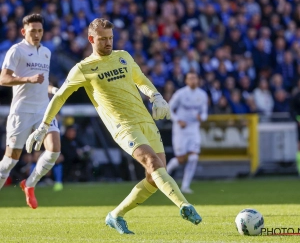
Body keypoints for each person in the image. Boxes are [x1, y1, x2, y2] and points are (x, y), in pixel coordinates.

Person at [25, 18, 202, 234]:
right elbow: (60, 97)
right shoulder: (83, 68)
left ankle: (115, 215)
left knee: (154, 178)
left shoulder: (123, 57)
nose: (108, 42)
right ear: (91, 39)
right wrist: (44, 126)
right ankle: (184, 205)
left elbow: (141, 79)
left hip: (146, 121)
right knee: (152, 163)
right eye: (103, 39)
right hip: (124, 127)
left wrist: (156, 96)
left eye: (110, 38)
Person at [0, 13, 61, 209]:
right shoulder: (16, 51)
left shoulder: (46, 52)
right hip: (22, 112)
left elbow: (43, 80)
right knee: (10, 162)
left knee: (54, 150)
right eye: (33, 30)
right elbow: (3, 79)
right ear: (23, 31)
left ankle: (30, 183)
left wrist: (52, 89)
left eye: (40, 30)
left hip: (43, 109)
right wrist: (28, 79)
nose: (37, 34)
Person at [167, 72, 208, 194]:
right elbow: (168, 109)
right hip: (181, 130)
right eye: (190, 78)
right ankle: (162, 177)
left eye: (195, 78)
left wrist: (202, 118)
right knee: (180, 159)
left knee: (194, 157)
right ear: (186, 81)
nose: (193, 80)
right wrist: (178, 120)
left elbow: (204, 112)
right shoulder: (180, 94)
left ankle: (185, 186)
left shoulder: (202, 95)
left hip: (193, 129)